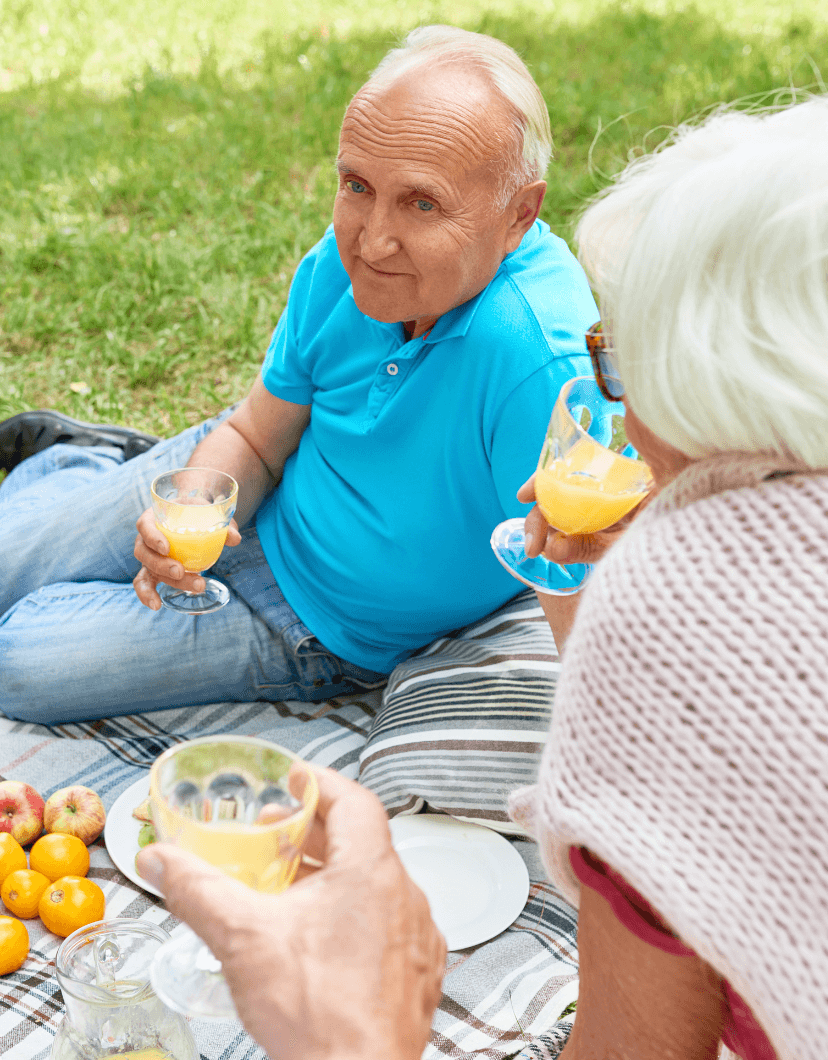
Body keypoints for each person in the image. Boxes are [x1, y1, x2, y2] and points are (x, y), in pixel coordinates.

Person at [139, 97, 828, 1060]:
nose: (620, 420)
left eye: (625, 370)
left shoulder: (677, 595)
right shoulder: (336, 283)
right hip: (273, 525)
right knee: (8, 560)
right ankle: (94, 460)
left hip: (316, 618)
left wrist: (359, 1033)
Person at [0, 25, 598, 723]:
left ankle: (95, 468)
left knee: (19, 660)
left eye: (423, 203)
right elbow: (258, 436)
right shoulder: (343, 264)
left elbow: (578, 586)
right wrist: (194, 503)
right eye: (357, 186)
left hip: (314, 625)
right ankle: (87, 463)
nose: (372, 241)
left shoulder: (538, 361)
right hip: (248, 490)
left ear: (518, 214)